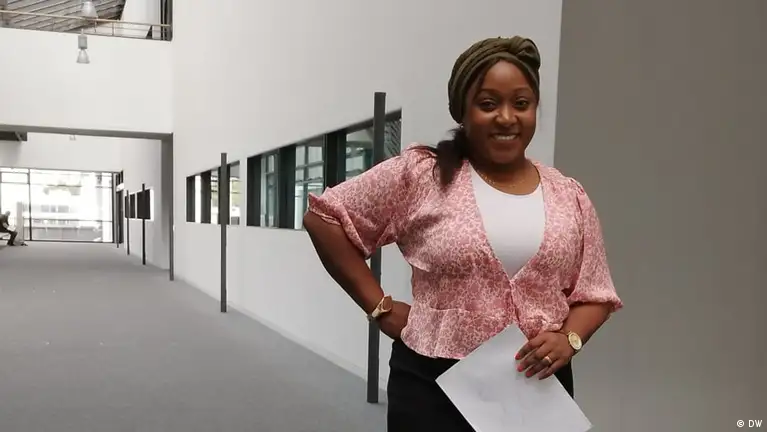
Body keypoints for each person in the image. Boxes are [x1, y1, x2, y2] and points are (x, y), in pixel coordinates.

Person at [303, 36, 623, 431]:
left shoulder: (568, 196)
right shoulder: (422, 176)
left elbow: (595, 293)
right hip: (433, 385)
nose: (506, 118)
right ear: (462, 111)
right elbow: (325, 219)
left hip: (535, 390)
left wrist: (570, 338)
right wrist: (379, 307)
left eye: (521, 103)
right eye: (488, 104)